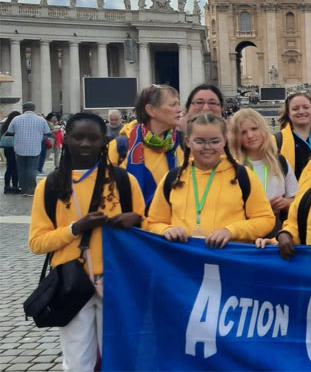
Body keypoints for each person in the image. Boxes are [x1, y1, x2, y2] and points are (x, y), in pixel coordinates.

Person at [27, 113, 146, 371]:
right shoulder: (49, 186)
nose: (85, 144)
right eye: (78, 137)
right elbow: (37, 242)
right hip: (73, 283)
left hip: (116, 281)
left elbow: (148, 230)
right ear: (65, 138)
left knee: (119, 359)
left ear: (104, 141)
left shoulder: (124, 181)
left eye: (92, 138)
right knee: (78, 361)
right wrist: (75, 229)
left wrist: (136, 220)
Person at [146, 113, 275, 246]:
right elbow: (152, 222)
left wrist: (231, 231)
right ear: (188, 142)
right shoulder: (173, 178)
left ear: (225, 141)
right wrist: (166, 230)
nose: (207, 147)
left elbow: (265, 219)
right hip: (183, 261)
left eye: (214, 141)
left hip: (229, 259)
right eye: (199, 141)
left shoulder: (242, 175)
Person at [108, 85, 184, 207]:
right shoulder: (119, 146)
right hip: (131, 223)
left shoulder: (183, 144)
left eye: (178, 104)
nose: (180, 109)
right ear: (151, 110)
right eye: (173, 105)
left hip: (173, 224)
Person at [229, 109, 298, 231]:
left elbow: (296, 199)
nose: (250, 135)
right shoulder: (231, 167)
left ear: (263, 130)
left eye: (254, 129)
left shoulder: (280, 162)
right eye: (243, 132)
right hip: (243, 228)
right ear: (236, 137)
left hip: (275, 228)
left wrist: (285, 203)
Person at [4, 102, 53, 196]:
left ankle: (23, 189)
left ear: (24, 109)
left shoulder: (16, 119)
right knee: (31, 169)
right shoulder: (41, 120)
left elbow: (10, 132)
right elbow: (48, 132)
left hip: (19, 148)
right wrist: (39, 137)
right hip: (35, 148)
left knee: (21, 169)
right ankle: (31, 190)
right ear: (34, 108)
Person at [275, 92, 311, 179]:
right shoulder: (276, 141)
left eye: (306, 107)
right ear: (288, 113)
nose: (301, 111)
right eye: (295, 109)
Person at [2, 111, 21, 194]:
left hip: (7, 148)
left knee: (9, 167)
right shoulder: (16, 125)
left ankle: (6, 186)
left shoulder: (5, 125)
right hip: (16, 147)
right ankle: (14, 185)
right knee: (16, 167)